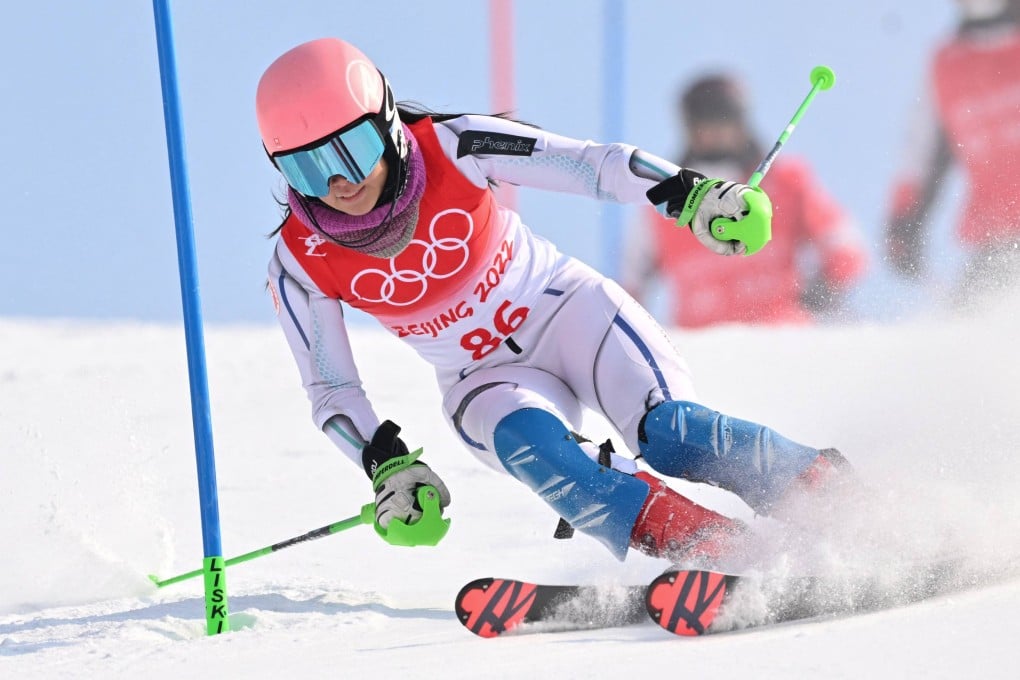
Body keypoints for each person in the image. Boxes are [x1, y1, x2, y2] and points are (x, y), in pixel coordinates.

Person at [257, 38, 849, 565]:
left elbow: (594, 166)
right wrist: (386, 465)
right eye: (306, 167)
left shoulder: (456, 145)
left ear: (385, 121)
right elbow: (332, 389)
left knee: (670, 431)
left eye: (352, 150)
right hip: (482, 379)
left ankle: (834, 497)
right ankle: (724, 557)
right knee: (542, 454)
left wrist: (692, 197)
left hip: (571, 313)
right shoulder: (299, 261)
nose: (338, 182)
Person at [622, 73, 868, 328]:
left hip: (783, 339)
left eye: (724, 119)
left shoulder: (785, 182)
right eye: (704, 122)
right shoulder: (663, 203)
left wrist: (820, 291)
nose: (716, 132)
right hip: (702, 350)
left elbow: (844, 244)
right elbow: (628, 286)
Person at [885, 0, 1020, 307]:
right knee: (963, 340)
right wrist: (904, 219)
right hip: (996, 244)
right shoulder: (947, 66)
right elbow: (920, 151)